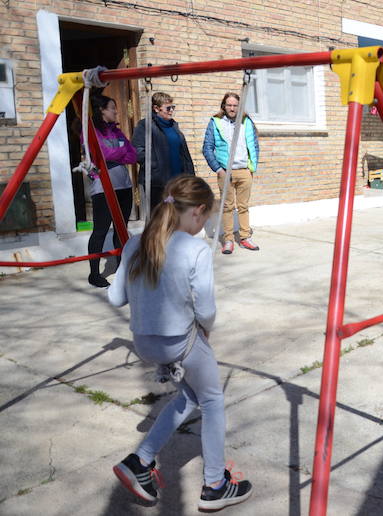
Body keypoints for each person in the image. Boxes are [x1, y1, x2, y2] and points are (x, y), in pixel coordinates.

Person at [108, 176, 252, 511]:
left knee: (189, 395)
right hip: (180, 343)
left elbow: (116, 298)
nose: (201, 226)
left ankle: (140, 461)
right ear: (198, 212)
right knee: (213, 400)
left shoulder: (134, 244)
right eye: (203, 219)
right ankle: (215, 484)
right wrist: (206, 329)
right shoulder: (196, 248)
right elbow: (206, 309)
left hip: (144, 342)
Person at [85, 95, 137, 288]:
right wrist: (120, 152)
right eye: (112, 108)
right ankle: (94, 273)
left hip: (124, 185)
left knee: (121, 230)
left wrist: (117, 154)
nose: (116, 111)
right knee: (100, 231)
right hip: (103, 188)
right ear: (102, 111)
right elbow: (101, 154)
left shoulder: (117, 132)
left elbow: (133, 156)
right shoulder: (89, 132)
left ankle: (123, 268)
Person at [202, 92, 260, 254]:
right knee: (227, 207)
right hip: (225, 172)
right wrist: (218, 169)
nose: (232, 108)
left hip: (244, 172)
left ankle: (245, 237)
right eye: (229, 105)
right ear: (224, 106)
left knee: (243, 206)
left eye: (235, 105)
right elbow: (207, 147)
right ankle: (228, 240)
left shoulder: (246, 122)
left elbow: (255, 145)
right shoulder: (216, 122)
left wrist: (251, 168)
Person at [132, 92, 195, 213]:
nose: (171, 110)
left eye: (173, 107)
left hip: (178, 182)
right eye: (168, 108)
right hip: (158, 183)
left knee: (178, 215)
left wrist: (190, 175)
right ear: (156, 108)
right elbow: (137, 151)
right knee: (161, 216)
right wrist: (155, 165)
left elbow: (184, 154)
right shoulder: (145, 125)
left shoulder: (173, 126)